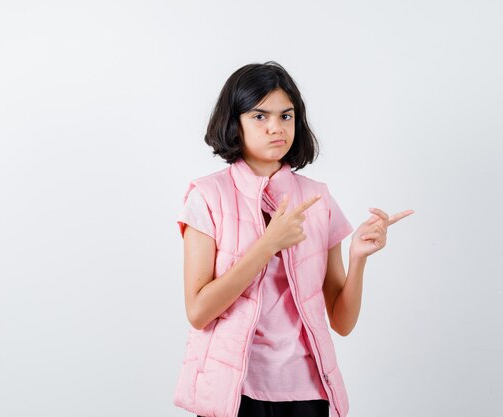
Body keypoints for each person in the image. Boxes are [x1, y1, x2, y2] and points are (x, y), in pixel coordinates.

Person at [173, 61, 414, 417]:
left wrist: (358, 257)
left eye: (286, 116)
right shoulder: (208, 196)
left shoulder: (318, 199)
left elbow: (342, 323)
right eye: (260, 116)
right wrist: (267, 245)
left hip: (308, 392)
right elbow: (198, 312)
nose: (276, 128)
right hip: (234, 392)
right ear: (234, 121)